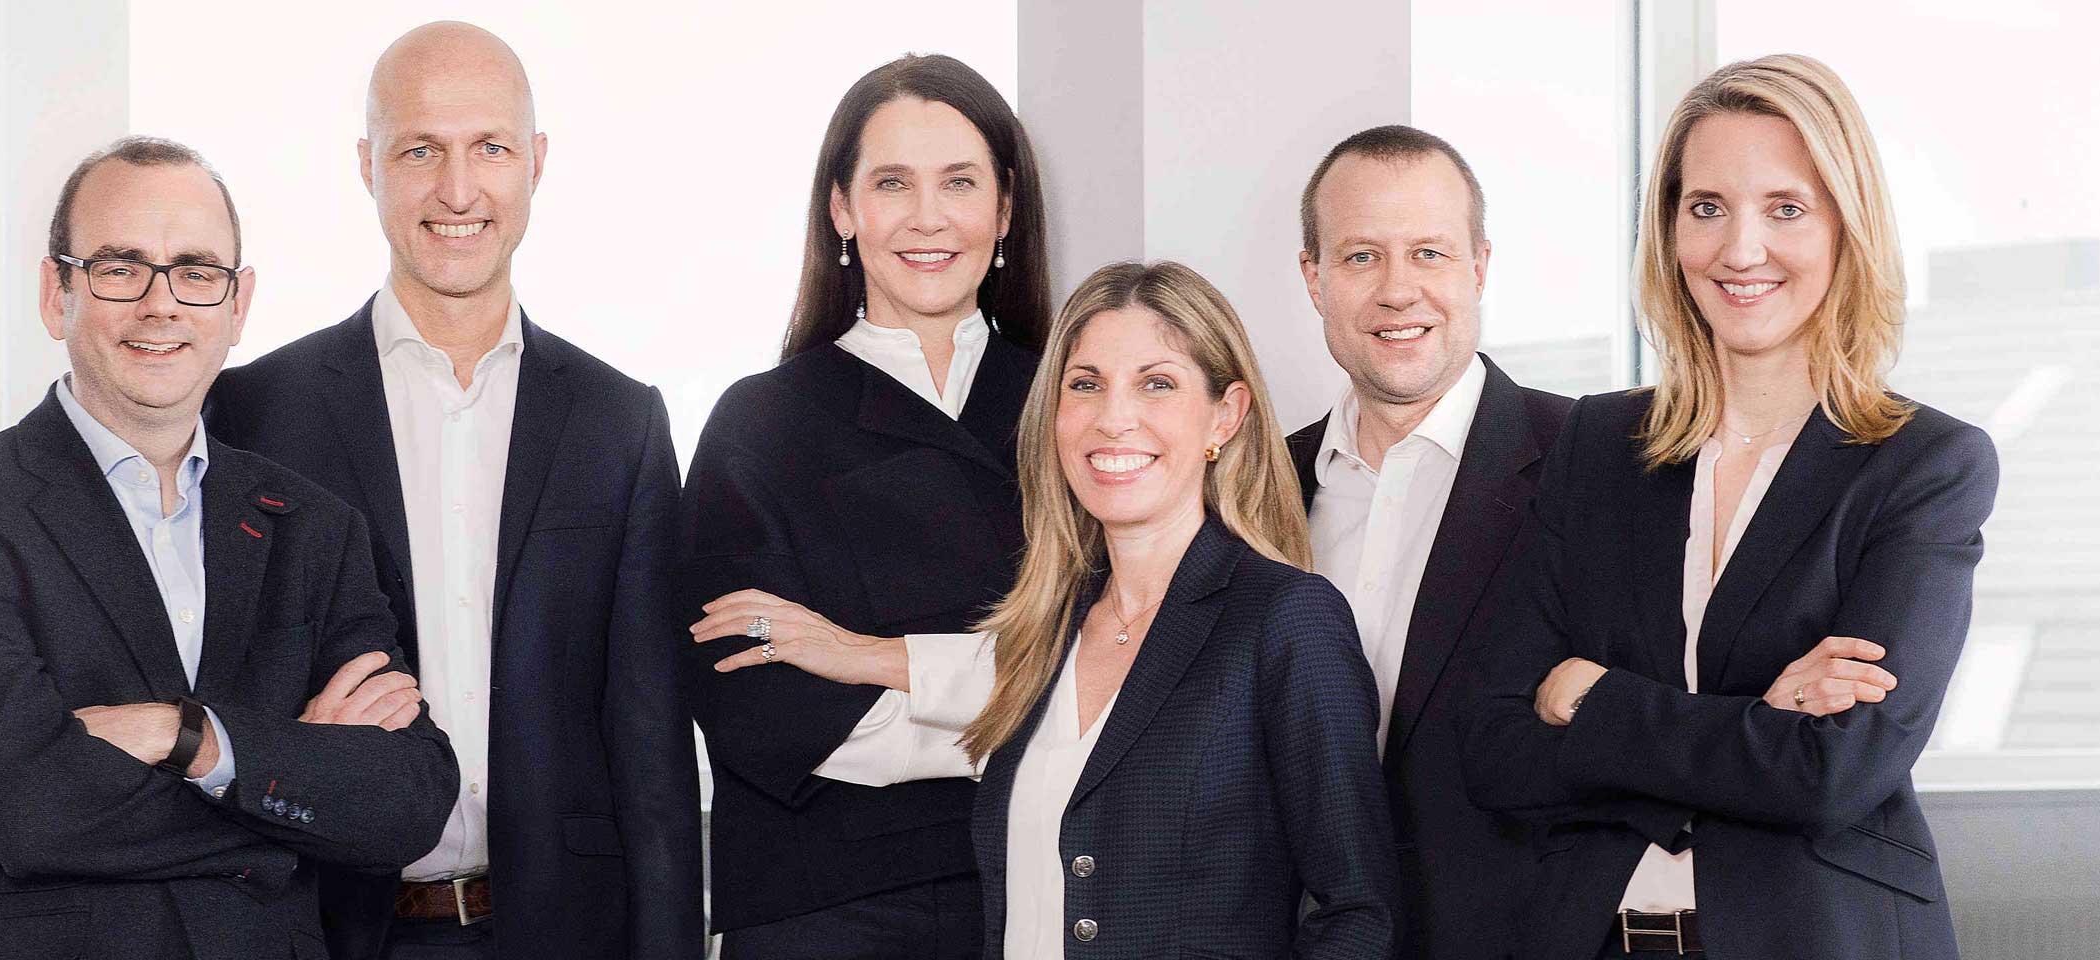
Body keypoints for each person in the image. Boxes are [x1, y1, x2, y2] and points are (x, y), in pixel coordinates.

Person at [1459, 54, 1999, 959]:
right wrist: (1755, 721)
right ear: (1669, 229)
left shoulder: (1924, 466)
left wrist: (1590, 699)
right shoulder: (1597, 446)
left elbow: (1834, 772)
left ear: (1845, 226)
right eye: (1706, 207)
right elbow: (1495, 749)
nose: (1739, 249)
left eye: (1785, 208)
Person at [695, 261, 1396, 959]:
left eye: (1157, 384)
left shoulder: (1287, 620)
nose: (1114, 418)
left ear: (1226, 414)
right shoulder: (1048, 634)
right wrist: (854, 652)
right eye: (1085, 385)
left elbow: (1357, 913)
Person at [0, 136, 460, 958]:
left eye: (195, 271)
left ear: (238, 303)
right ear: (58, 293)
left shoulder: (313, 527)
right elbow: (25, 809)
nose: (162, 304)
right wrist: (292, 778)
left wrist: (183, 736)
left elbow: (408, 799)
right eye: (121, 268)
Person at [203, 21, 701, 960]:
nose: (459, 190)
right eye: (421, 150)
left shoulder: (619, 424)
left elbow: (654, 755)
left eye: (492, 148)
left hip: (560, 934)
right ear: (367, 165)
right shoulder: (255, 412)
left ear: (537, 163)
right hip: (324, 929)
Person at [676, 52, 1052, 960]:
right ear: (842, 209)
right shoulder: (761, 422)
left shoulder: (1074, 407)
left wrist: (860, 659)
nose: (928, 218)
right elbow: (752, 692)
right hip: (824, 907)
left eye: (959, 183)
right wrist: (1023, 720)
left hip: (1045, 884)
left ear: (1004, 211)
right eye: (892, 183)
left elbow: (1125, 664)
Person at [1281, 124, 1573, 960]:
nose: (1397, 291)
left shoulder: (1588, 462)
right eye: (1361, 257)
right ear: (1315, 278)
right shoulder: (1252, 486)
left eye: (1430, 255)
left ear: (1479, 266)